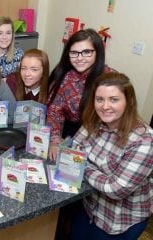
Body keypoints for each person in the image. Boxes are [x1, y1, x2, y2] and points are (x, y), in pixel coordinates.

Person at [70, 72, 153, 240]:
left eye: (113, 99)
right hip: (89, 207)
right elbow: (72, 148)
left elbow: (116, 189)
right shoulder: (93, 122)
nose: (105, 106)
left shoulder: (144, 140)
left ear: (128, 101)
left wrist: (82, 165)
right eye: (99, 99)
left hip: (118, 221)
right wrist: (81, 161)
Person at [47, 29, 115, 161]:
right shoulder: (64, 76)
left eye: (86, 52)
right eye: (74, 53)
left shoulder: (110, 80)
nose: (79, 58)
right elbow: (54, 111)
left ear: (98, 52)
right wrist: (54, 140)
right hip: (68, 133)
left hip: (100, 139)